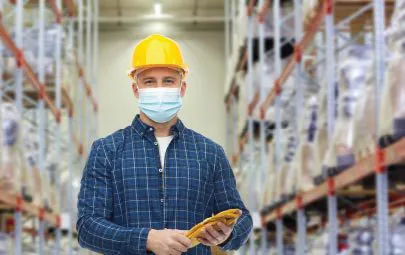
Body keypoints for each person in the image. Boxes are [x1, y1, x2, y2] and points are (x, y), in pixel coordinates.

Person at [77, 34, 253, 255]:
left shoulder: (210, 153)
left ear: (182, 88)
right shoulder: (107, 151)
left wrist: (228, 233)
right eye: (149, 81)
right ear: (135, 89)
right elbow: (87, 227)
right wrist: (146, 239)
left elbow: (242, 217)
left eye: (168, 81)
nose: (159, 88)